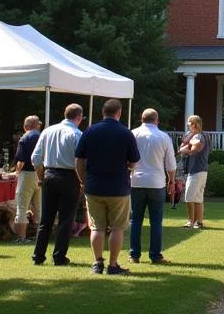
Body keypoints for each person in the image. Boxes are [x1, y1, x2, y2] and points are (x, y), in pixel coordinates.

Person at [75, 99, 139, 275]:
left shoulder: (89, 131)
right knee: (118, 227)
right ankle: (113, 264)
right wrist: (129, 167)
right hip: (118, 187)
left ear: (103, 112)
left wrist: (83, 180)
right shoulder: (126, 133)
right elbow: (134, 161)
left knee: (96, 227)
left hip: (94, 186)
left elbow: (79, 160)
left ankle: (97, 263)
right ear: (119, 112)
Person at [31, 103, 84, 266]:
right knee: (66, 218)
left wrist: (41, 177)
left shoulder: (47, 131)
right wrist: (82, 180)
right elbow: (80, 161)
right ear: (79, 117)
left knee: (46, 219)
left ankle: (38, 255)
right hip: (69, 176)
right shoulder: (77, 134)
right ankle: (59, 256)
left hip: (49, 174)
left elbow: (35, 158)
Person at [129, 108, 176, 264]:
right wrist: (172, 181)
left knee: (136, 220)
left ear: (141, 119)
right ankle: (155, 255)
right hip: (156, 182)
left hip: (136, 180)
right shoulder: (163, 137)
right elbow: (170, 164)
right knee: (156, 221)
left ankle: (134, 254)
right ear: (157, 120)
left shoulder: (133, 134)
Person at [12, 115, 42, 244]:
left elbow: (21, 160)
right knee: (39, 207)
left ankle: (21, 237)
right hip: (41, 173)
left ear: (25, 126)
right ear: (38, 125)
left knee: (22, 206)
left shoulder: (25, 138)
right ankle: (40, 237)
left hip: (27, 173)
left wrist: (16, 173)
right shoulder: (43, 136)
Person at [178, 115, 209, 229]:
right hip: (201, 170)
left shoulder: (199, 136)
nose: (187, 125)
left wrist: (185, 150)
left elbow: (195, 149)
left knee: (189, 197)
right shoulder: (198, 135)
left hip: (196, 170)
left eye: (189, 123)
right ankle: (198, 222)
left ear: (195, 124)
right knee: (198, 198)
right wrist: (186, 145)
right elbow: (183, 144)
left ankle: (191, 221)